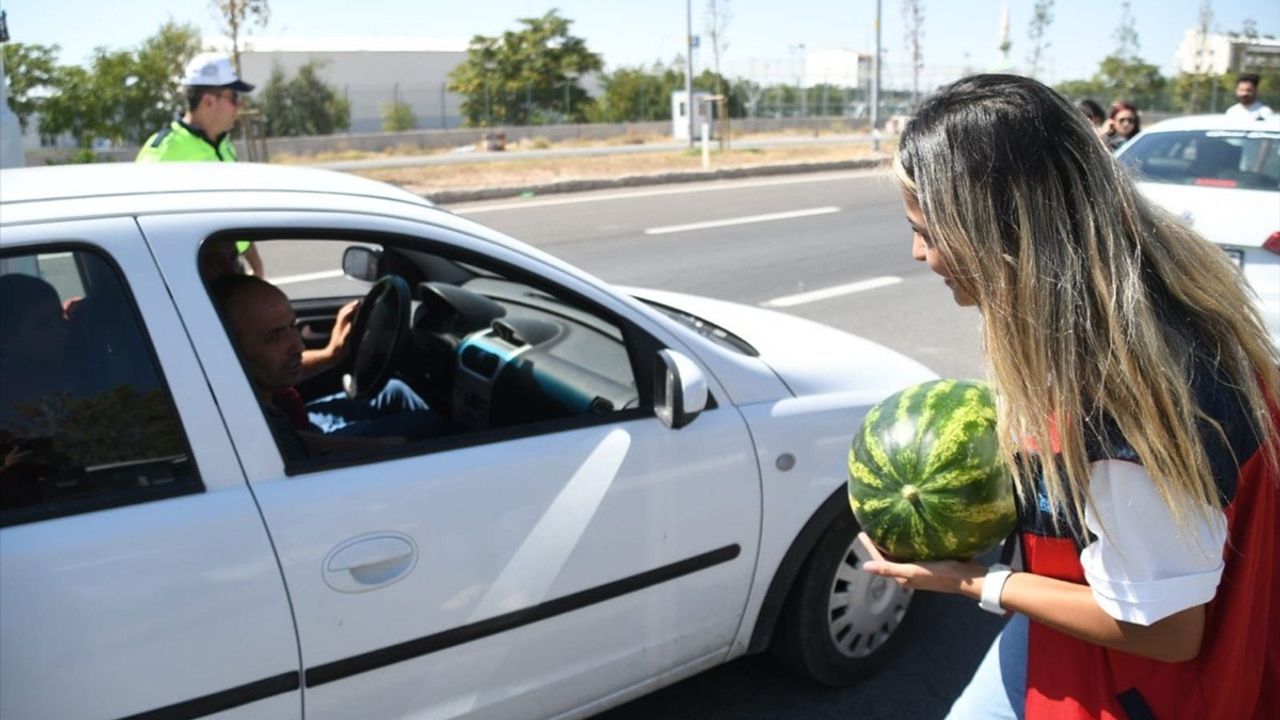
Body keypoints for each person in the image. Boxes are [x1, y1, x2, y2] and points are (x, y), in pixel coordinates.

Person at [864, 74, 1280, 720]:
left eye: (929, 230)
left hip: (1131, 686)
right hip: (1072, 631)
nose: (918, 253)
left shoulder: (1127, 393)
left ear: (1002, 230)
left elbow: (1168, 632)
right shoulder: (1116, 307)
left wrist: (973, 581)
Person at [209, 274, 443, 459]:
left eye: (292, 326)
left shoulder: (258, 398)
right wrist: (388, 447)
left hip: (302, 424)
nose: (299, 346)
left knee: (395, 390)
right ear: (229, 349)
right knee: (432, 425)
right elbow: (303, 448)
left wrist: (332, 355)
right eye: (274, 336)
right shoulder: (248, 426)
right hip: (308, 438)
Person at [137, 53, 264, 277]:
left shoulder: (224, 145)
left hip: (228, 266)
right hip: (190, 274)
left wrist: (256, 265)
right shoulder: (162, 153)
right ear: (208, 101)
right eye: (234, 97)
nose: (239, 105)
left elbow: (235, 214)